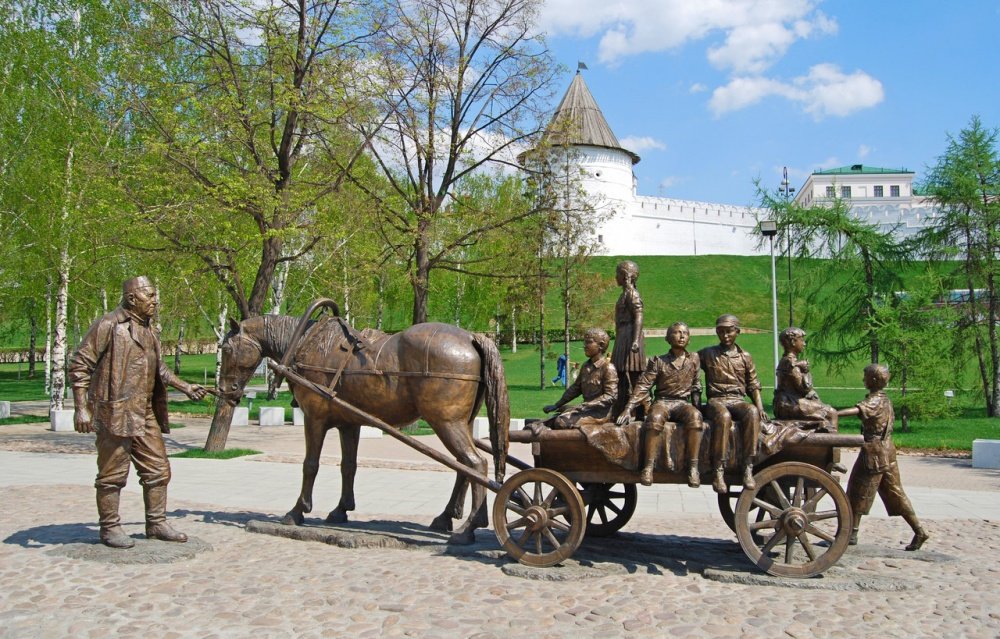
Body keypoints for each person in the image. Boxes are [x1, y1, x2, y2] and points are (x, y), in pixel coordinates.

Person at [69, 276, 207, 549]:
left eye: (155, 296)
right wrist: (81, 408)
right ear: (132, 299)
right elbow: (79, 365)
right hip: (115, 412)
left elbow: (161, 370)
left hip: (144, 413)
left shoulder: (150, 331)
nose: (155, 301)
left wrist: (186, 386)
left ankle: (156, 523)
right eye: (150, 296)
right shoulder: (109, 325)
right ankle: (109, 528)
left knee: (158, 470)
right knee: (112, 474)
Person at [839, 364, 929, 551]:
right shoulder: (885, 399)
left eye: (865, 376)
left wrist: (833, 413)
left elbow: (858, 410)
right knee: (895, 491)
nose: (863, 379)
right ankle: (919, 531)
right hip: (887, 449)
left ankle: (851, 534)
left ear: (873, 380)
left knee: (858, 490)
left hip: (875, 451)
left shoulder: (875, 400)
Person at [617, 322, 705, 487]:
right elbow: (643, 385)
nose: (681, 336)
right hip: (663, 401)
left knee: (695, 417)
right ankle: (649, 466)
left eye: (685, 333)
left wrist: (698, 408)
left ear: (689, 338)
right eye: (677, 333)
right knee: (655, 418)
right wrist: (628, 408)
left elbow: (696, 386)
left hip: (681, 403)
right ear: (668, 338)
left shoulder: (694, 359)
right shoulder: (658, 361)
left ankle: (693, 467)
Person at [699, 314, 767, 494]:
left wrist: (759, 407)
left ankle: (747, 466)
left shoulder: (745, 357)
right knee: (723, 416)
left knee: (751, 413)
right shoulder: (708, 354)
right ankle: (718, 469)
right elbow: (687, 362)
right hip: (717, 400)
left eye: (729, 331)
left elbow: (753, 384)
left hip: (737, 400)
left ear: (737, 331)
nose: (725, 335)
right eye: (721, 332)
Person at [542, 328, 618, 430]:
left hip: (601, 414)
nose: (585, 346)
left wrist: (586, 405)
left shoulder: (608, 368)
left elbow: (611, 396)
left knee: (561, 422)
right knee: (559, 413)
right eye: (584, 342)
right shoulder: (586, 366)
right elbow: (575, 388)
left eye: (589, 342)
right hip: (586, 410)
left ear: (601, 345)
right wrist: (556, 405)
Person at [774, 327, 838, 430]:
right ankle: (832, 444)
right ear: (793, 342)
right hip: (789, 404)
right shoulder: (791, 363)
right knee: (831, 413)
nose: (804, 344)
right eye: (802, 340)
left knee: (820, 406)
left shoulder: (788, 361)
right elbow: (804, 388)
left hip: (785, 403)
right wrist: (805, 372)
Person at [611, 260, 646, 421]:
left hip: (630, 336)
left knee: (634, 376)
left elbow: (639, 316)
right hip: (622, 336)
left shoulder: (632, 294)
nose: (615, 277)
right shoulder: (624, 293)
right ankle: (619, 407)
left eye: (618, 273)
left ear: (625, 276)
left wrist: (635, 341)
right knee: (619, 374)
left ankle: (642, 412)